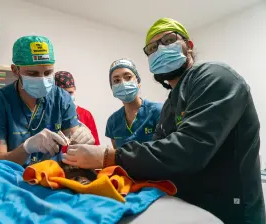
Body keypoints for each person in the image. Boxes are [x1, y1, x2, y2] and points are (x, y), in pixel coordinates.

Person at [63, 18, 265, 224]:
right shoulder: (170, 104)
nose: (160, 50)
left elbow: (188, 150)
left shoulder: (215, 77)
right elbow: (158, 156)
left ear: (189, 46)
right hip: (188, 204)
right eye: (152, 48)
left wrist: (109, 156)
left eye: (169, 40)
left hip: (232, 208)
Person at [0, 36, 94, 166]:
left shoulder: (62, 99)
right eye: (33, 74)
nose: (42, 80)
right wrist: (26, 148)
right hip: (9, 179)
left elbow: (74, 141)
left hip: (51, 177)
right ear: (15, 70)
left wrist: (83, 141)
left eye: (48, 72)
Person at [106, 58, 162, 148]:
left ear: (138, 82)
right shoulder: (113, 122)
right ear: (112, 89)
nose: (123, 83)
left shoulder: (158, 111)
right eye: (116, 81)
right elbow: (117, 155)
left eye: (128, 77)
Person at [54, 71, 100, 145]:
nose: (67, 97)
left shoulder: (86, 114)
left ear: (75, 89)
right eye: (62, 93)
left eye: (70, 93)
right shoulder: (49, 115)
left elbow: (96, 146)